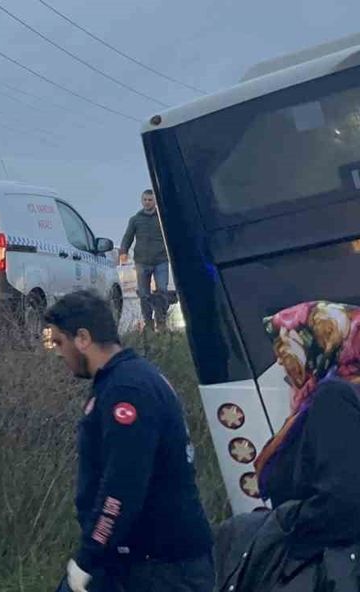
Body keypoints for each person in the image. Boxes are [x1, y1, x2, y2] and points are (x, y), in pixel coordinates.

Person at [44, 290, 213, 592]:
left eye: (59, 341)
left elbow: (123, 485)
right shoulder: (125, 378)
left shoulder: (127, 389)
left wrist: (89, 556)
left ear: (82, 338)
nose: (57, 352)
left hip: (161, 568)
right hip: (135, 560)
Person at [212, 301, 360, 590]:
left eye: (284, 346)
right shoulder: (335, 395)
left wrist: (285, 530)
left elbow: (344, 501)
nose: (280, 360)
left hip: (329, 572)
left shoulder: (334, 399)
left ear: (320, 344)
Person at [118, 190, 169, 331]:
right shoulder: (135, 219)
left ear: (155, 202)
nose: (147, 202)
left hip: (161, 260)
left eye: (150, 200)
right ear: (142, 201)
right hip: (142, 262)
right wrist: (123, 252)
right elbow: (128, 236)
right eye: (145, 200)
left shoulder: (163, 218)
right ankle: (148, 323)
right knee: (144, 294)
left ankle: (161, 320)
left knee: (162, 291)